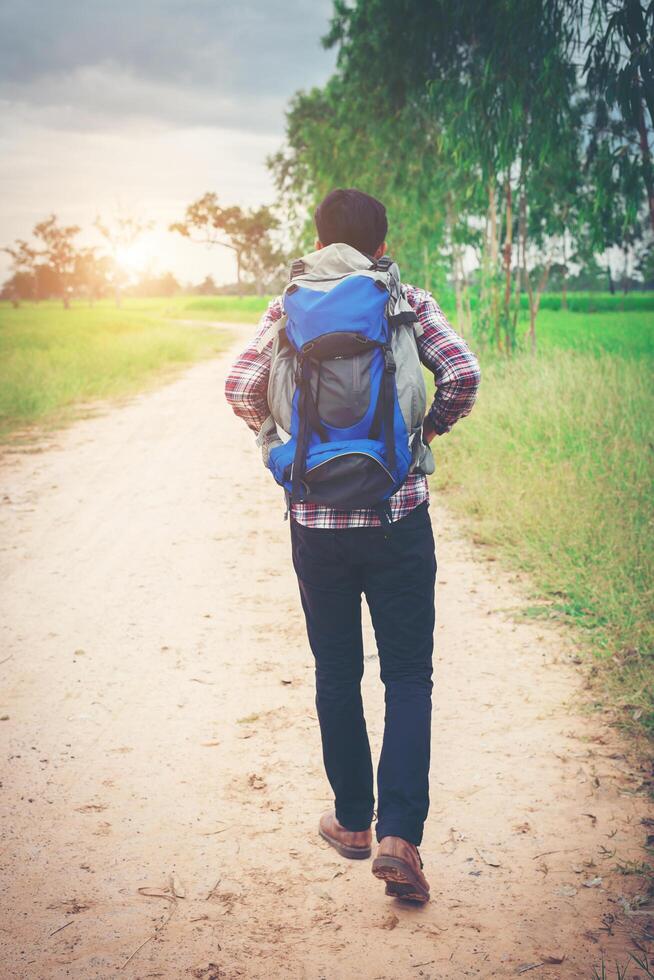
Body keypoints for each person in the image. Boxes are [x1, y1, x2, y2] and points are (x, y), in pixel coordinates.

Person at [225, 188, 480, 903]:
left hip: (316, 526)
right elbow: (461, 374)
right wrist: (422, 439)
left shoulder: (287, 306)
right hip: (398, 518)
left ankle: (350, 822)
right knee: (408, 674)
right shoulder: (405, 298)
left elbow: (239, 386)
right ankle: (400, 835)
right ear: (381, 242)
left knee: (337, 671)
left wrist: (281, 449)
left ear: (319, 237)